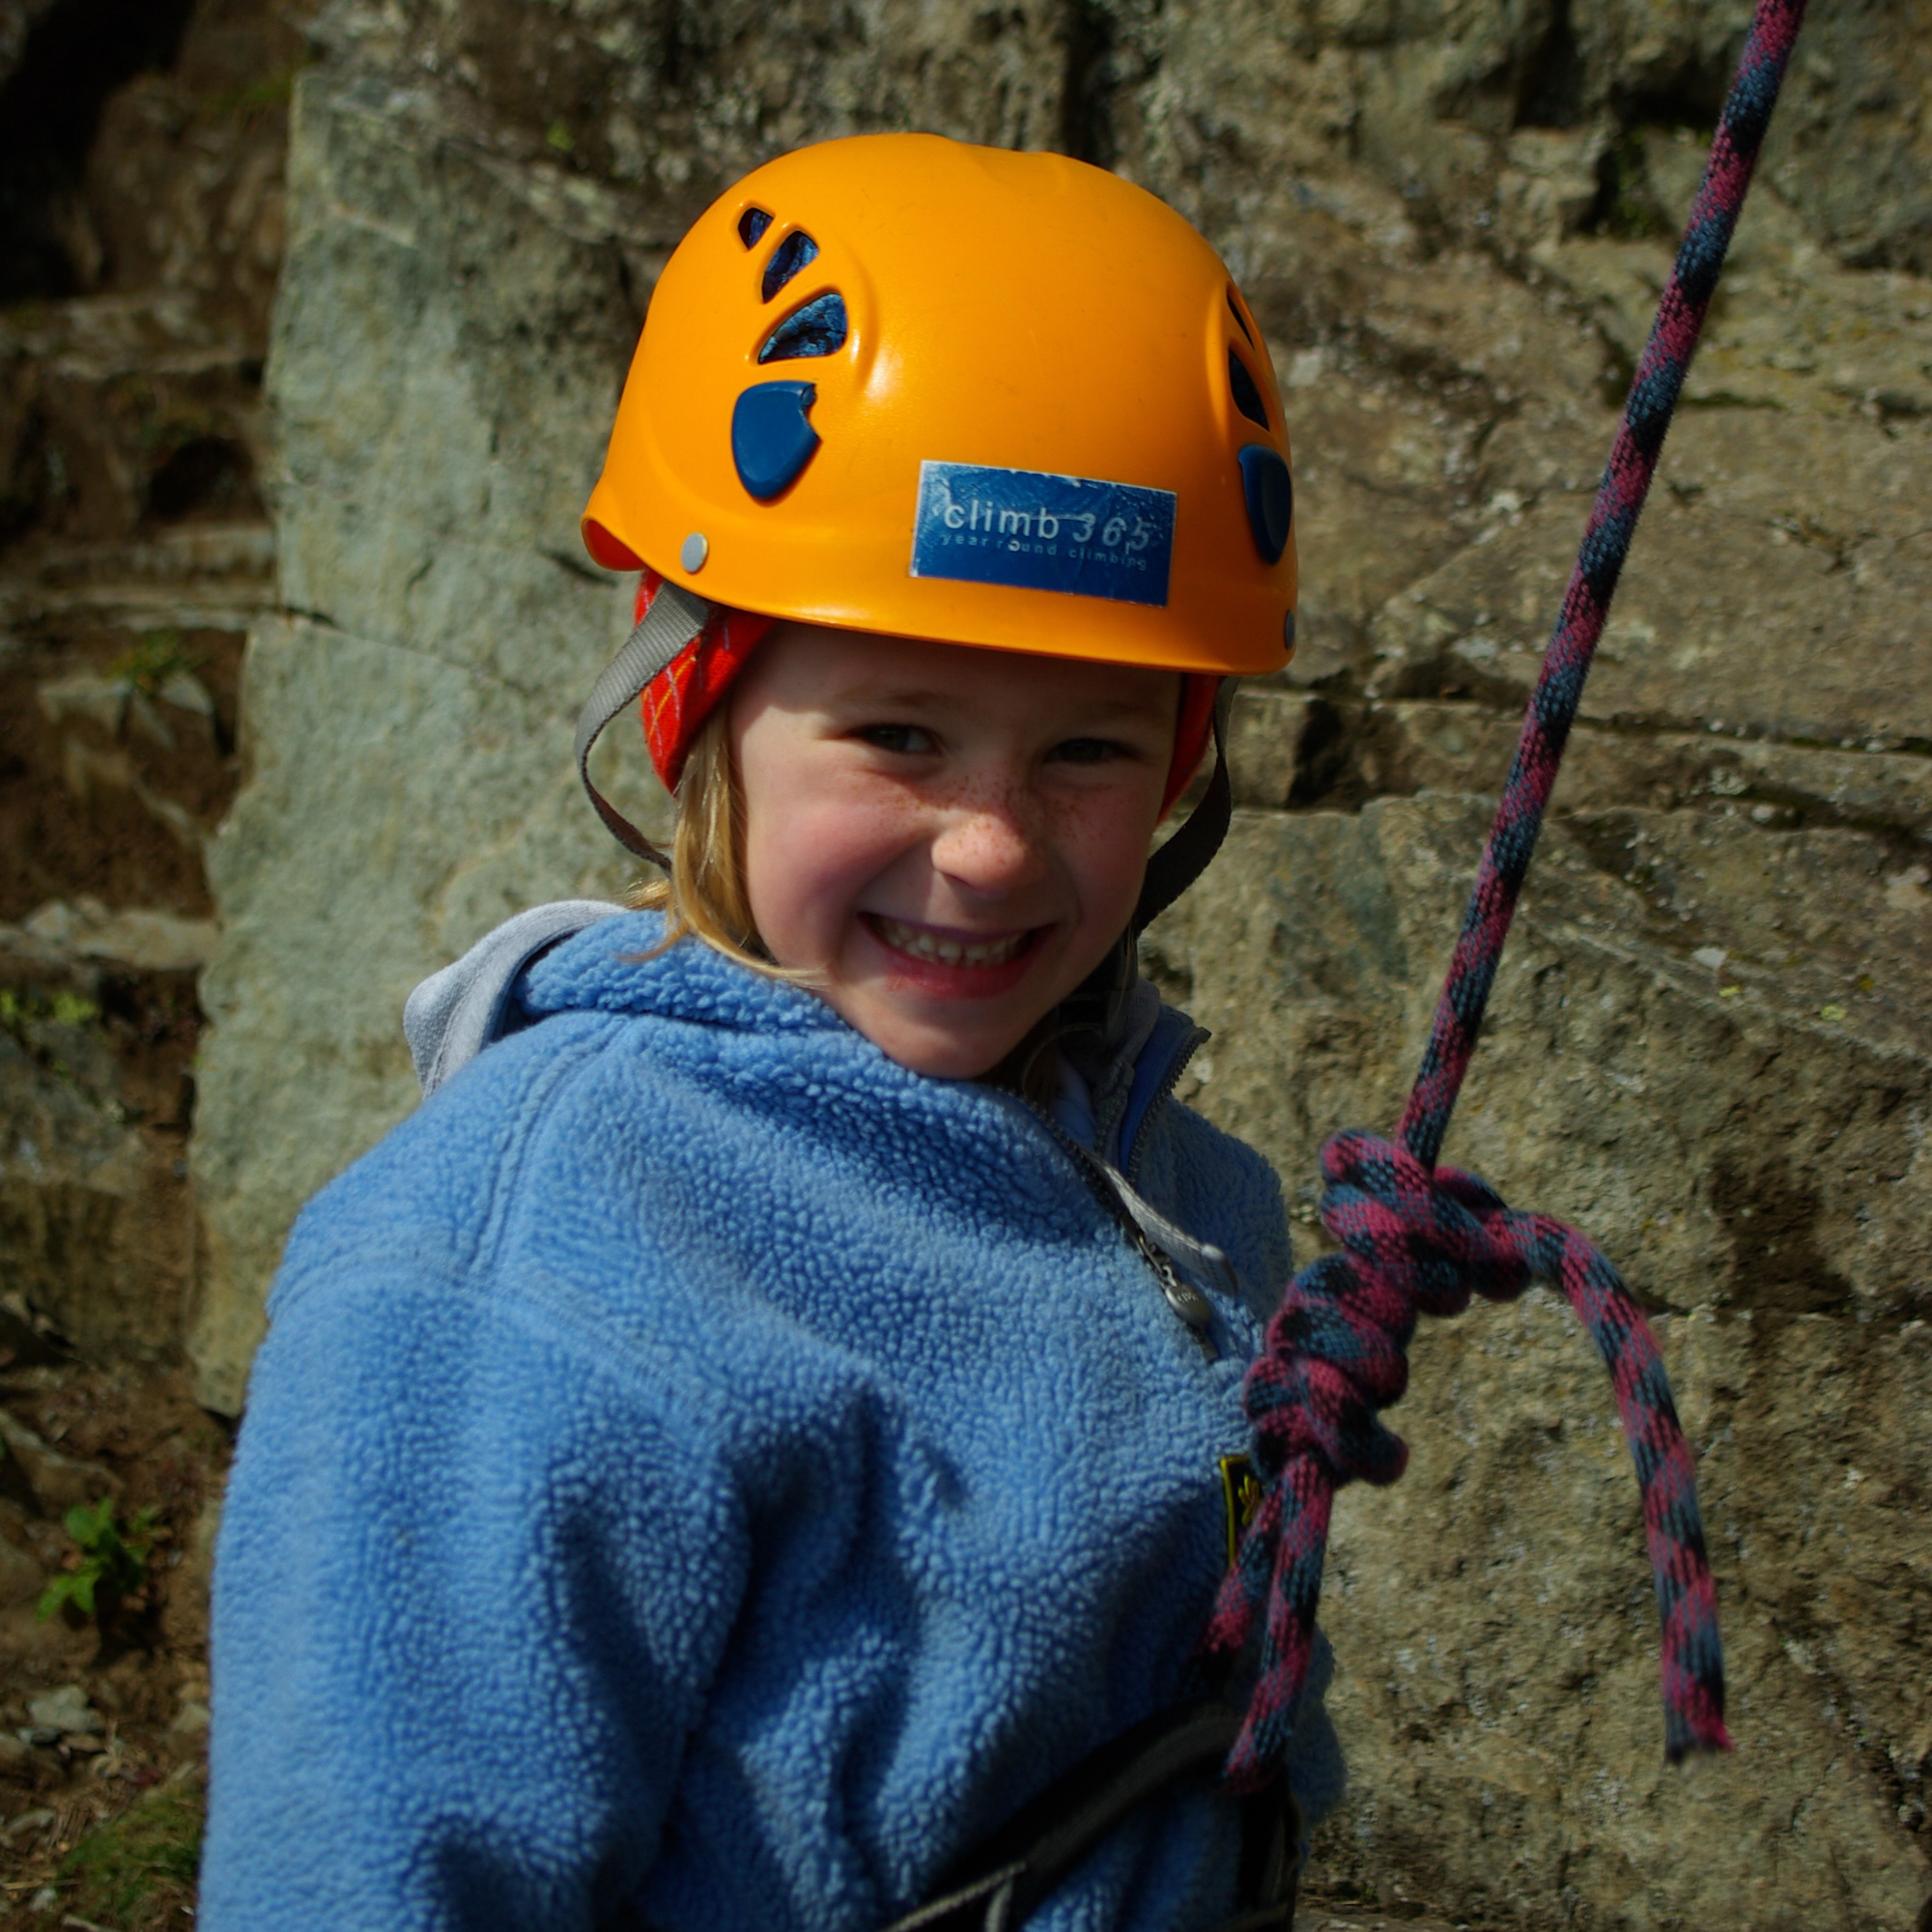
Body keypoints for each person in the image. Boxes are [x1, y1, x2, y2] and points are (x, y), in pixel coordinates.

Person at [200, 132, 1343, 1931]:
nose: (989, 843)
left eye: (1092, 750)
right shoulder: (524, 1261)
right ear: (695, 705)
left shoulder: (1178, 1196)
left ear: (1185, 763)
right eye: (898, 733)